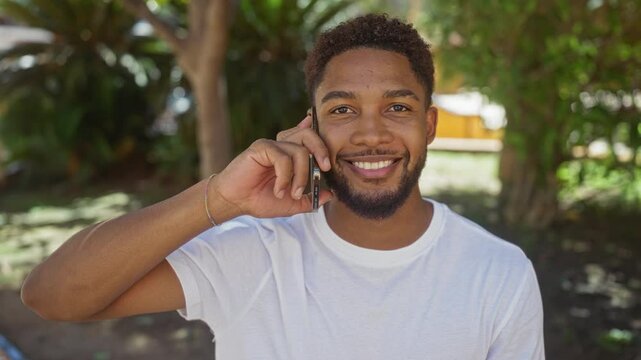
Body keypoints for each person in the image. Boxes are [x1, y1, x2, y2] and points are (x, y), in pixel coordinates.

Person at [21, 14, 544, 359]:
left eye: (398, 107)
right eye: (342, 109)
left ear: (429, 125)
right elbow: (51, 296)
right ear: (311, 126)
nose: (370, 133)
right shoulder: (255, 250)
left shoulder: (498, 273)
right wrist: (220, 200)